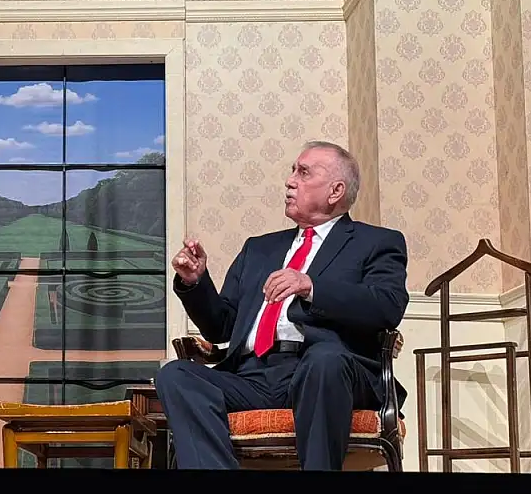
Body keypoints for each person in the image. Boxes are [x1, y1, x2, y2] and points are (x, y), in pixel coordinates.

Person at [156, 140, 408, 470]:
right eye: (292, 171)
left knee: (324, 359)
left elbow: (387, 306)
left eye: (303, 173)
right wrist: (195, 283)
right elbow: (222, 328)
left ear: (335, 191)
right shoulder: (259, 249)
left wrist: (311, 287)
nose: (290, 181)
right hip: (253, 376)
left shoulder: (375, 242)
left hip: (326, 371)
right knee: (176, 375)